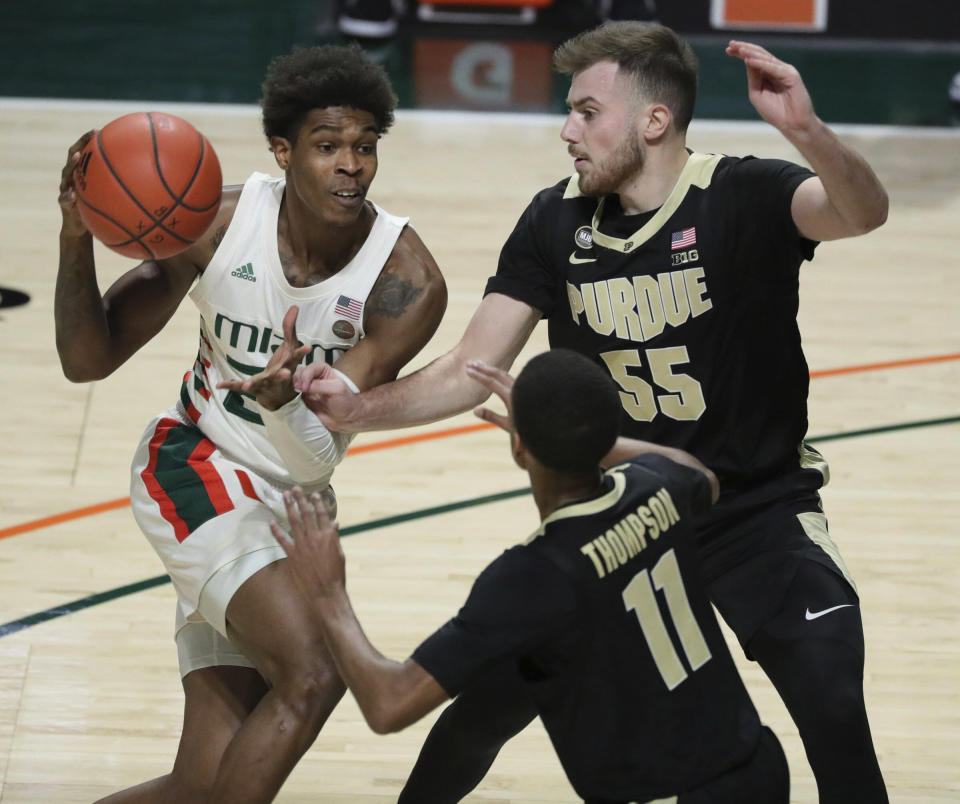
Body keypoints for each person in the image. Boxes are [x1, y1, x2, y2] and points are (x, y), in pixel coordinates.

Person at [295, 22, 889, 804]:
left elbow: (860, 213)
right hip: (618, 511)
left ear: (654, 120)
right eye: (569, 112)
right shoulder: (554, 220)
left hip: (754, 514)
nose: (567, 131)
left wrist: (806, 130)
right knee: (483, 711)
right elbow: (473, 367)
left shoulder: (741, 193)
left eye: (586, 111)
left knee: (834, 702)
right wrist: (355, 408)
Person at [54, 43, 446, 803]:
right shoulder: (216, 224)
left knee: (200, 787)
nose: (351, 166)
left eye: (365, 148)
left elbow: (310, 459)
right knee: (315, 674)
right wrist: (76, 237)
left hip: (290, 502)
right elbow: (86, 360)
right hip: (193, 469)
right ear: (282, 150)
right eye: (328, 146)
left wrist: (287, 404)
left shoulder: (405, 283)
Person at [275, 350, 791, 803]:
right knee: (488, 705)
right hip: (757, 767)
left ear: (519, 447)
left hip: (668, 790)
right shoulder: (658, 487)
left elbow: (388, 704)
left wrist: (327, 593)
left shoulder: (532, 576)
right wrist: (579, 439)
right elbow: (699, 473)